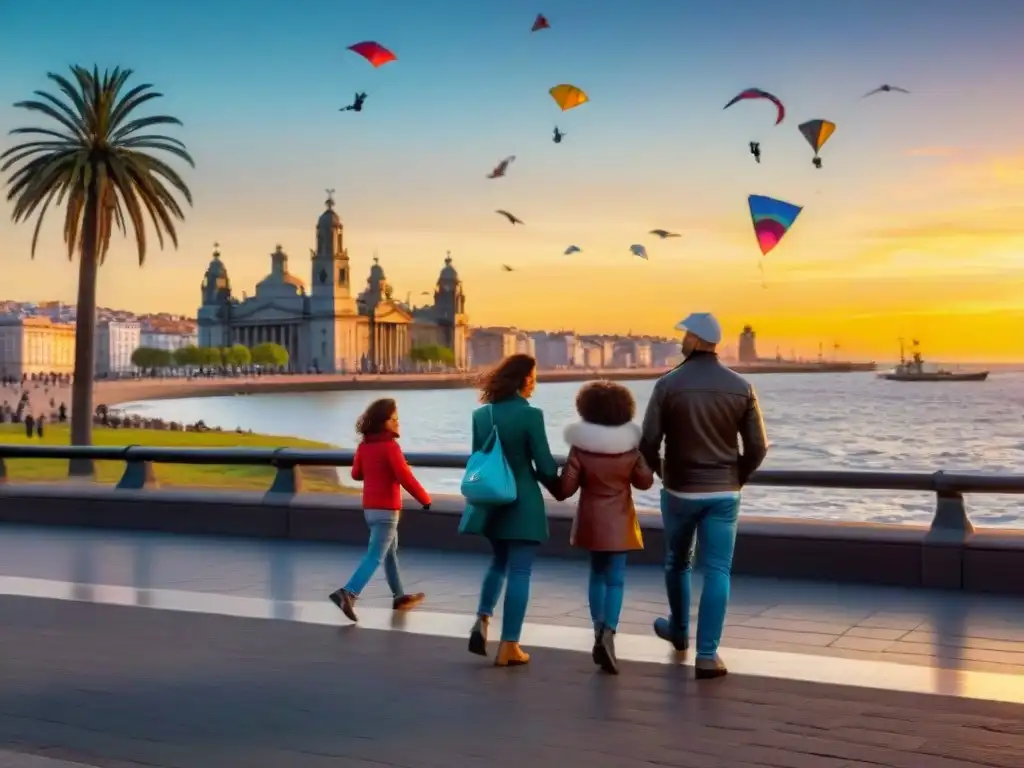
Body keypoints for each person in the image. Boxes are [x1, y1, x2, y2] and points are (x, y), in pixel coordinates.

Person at [639, 312, 768, 679]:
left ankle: (679, 631)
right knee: (718, 571)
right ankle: (708, 655)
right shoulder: (741, 386)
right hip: (724, 493)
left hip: (680, 490)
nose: (680, 341)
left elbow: (648, 442)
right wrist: (736, 477)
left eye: (684, 336)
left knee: (677, 562)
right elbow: (758, 446)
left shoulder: (667, 385)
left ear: (696, 341)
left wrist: (665, 472)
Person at [465, 354, 559, 667]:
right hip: (523, 502)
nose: (536, 382)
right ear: (524, 379)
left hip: (492, 501)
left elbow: (479, 460)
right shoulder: (531, 415)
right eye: (534, 376)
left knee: (498, 562)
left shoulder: (482, 415)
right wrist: (561, 489)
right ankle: (509, 645)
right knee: (520, 571)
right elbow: (545, 466)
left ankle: (482, 618)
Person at [556, 380, 654, 675]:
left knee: (597, 575)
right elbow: (645, 482)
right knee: (617, 579)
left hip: (591, 522)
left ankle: (598, 629)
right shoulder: (631, 448)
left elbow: (565, 490)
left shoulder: (581, 449)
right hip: (621, 521)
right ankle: (610, 631)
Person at [329, 397, 431, 622]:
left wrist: (374, 467)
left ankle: (399, 596)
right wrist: (425, 499)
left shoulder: (365, 445)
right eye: (394, 419)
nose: (398, 423)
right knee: (376, 556)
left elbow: (356, 474)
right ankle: (349, 592)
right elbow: (405, 477)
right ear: (384, 422)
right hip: (387, 511)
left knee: (389, 554)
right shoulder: (391, 447)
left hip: (370, 511)